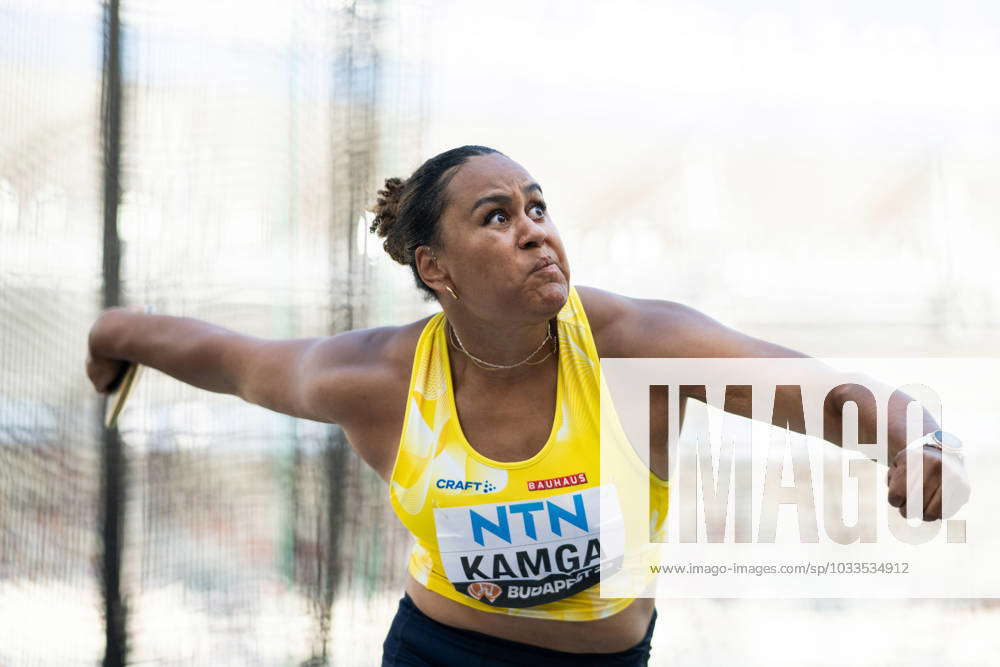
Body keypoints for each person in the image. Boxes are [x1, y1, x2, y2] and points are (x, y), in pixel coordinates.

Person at [86, 145, 967, 666]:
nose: (535, 228)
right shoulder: (378, 380)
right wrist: (116, 333)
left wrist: (924, 442)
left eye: (538, 207)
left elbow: (822, 392)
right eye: (497, 216)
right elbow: (232, 361)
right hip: (441, 654)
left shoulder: (631, 344)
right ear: (436, 267)